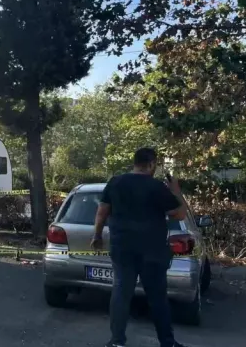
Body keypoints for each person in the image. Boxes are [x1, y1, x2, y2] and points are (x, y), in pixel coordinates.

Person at [91, 148, 189, 347]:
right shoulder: (157, 187)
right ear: (151, 164)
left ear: (135, 162)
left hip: (122, 248)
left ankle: (117, 342)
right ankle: (167, 342)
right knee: (158, 298)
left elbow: (102, 212)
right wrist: (176, 190)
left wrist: (97, 235)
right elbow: (179, 214)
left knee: (121, 293)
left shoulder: (115, 182)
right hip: (153, 251)